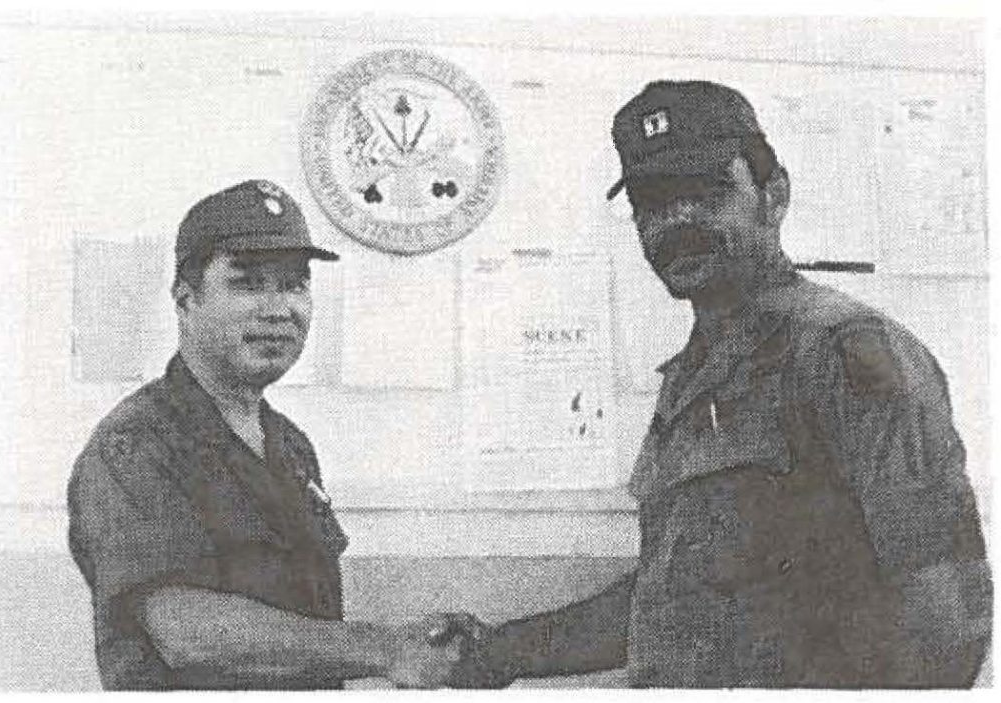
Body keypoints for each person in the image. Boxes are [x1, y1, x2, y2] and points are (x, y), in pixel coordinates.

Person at [442, 80, 992, 688]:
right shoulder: (688, 380)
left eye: (705, 192)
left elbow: (946, 616)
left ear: (773, 196)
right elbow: (673, 600)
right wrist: (500, 651)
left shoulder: (848, 352)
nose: (676, 220)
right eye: (652, 202)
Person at [67, 180, 461, 690]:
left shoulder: (291, 446)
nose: (279, 309)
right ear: (186, 301)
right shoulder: (133, 446)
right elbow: (183, 631)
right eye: (249, 283)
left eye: (295, 284)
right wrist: (384, 649)